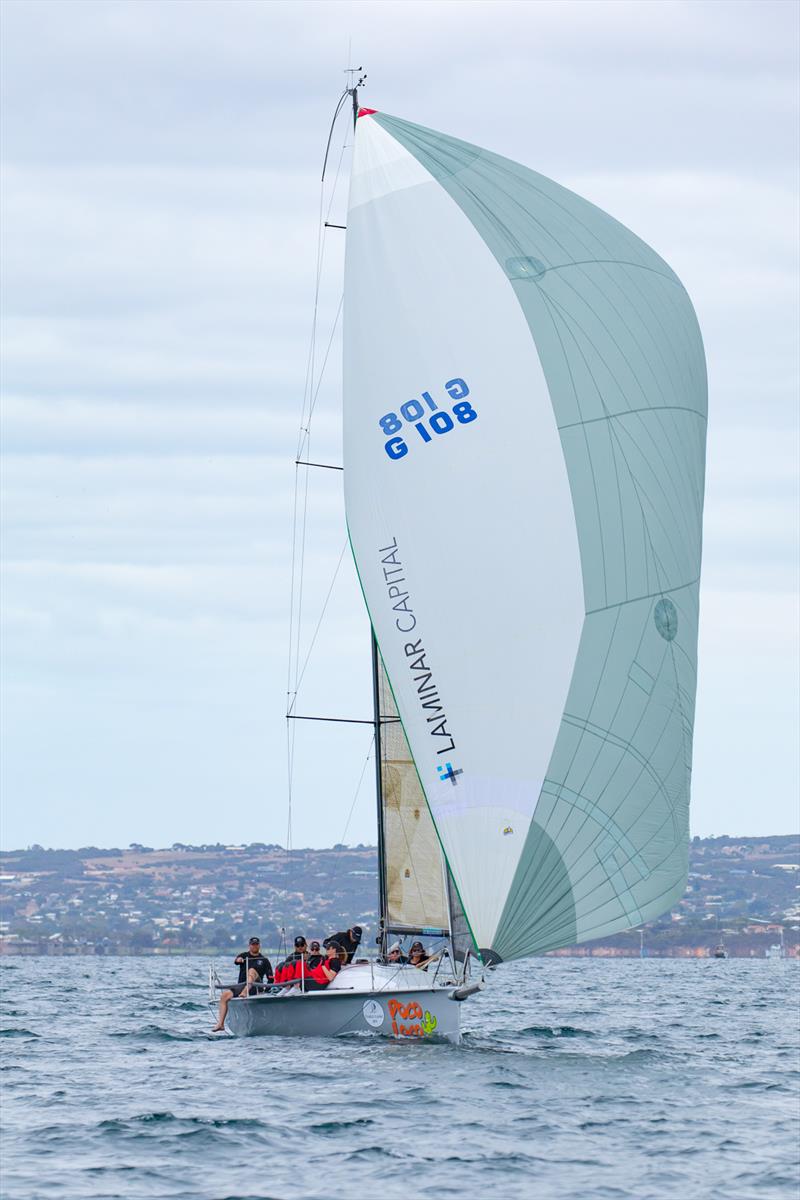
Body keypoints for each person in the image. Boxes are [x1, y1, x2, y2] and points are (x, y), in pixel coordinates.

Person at [211, 937, 273, 1032]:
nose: (255, 946)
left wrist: (266, 992)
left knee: (251, 971)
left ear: (259, 945)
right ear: (249, 946)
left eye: (256, 944)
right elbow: (236, 960)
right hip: (242, 986)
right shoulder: (244, 955)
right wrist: (239, 960)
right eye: (253, 944)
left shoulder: (264, 960)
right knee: (224, 996)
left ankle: (245, 991)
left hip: (256, 986)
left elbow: (270, 978)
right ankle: (220, 1024)